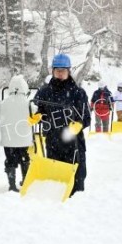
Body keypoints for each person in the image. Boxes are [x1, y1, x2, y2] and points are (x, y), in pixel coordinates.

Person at [31, 53, 91, 196]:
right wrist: (36, 116)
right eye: (57, 70)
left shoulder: (78, 93)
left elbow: (87, 117)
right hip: (53, 142)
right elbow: (37, 109)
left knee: (77, 180)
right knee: (56, 181)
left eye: (63, 70)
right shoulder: (44, 92)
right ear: (52, 71)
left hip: (74, 144)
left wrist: (79, 124)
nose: (60, 73)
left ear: (68, 71)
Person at [0, 75, 36, 192]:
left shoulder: (3, 103)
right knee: (25, 159)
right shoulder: (28, 103)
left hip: (8, 139)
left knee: (10, 161)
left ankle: (12, 184)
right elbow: (36, 114)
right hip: (24, 139)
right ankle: (25, 181)